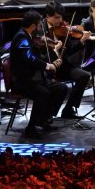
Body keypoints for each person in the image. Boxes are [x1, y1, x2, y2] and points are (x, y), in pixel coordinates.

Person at [9, 10, 69, 139]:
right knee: (43, 93)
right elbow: (29, 58)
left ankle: (44, 119)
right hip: (22, 81)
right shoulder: (21, 37)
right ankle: (31, 128)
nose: (41, 28)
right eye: (39, 25)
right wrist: (48, 66)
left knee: (61, 88)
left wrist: (52, 61)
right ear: (33, 26)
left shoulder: (28, 36)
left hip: (33, 79)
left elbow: (37, 57)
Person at [40, 1, 92, 119]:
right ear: (48, 16)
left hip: (62, 66)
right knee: (56, 86)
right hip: (47, 67)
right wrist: (54, 52)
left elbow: (69, 51)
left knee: (84, 76)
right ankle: (48, 115)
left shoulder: (63, 30)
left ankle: (68, 110)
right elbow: (39, 53)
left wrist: (81, 41)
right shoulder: (40, 28)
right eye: (56, 17)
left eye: (61, 17)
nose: (60, 20)